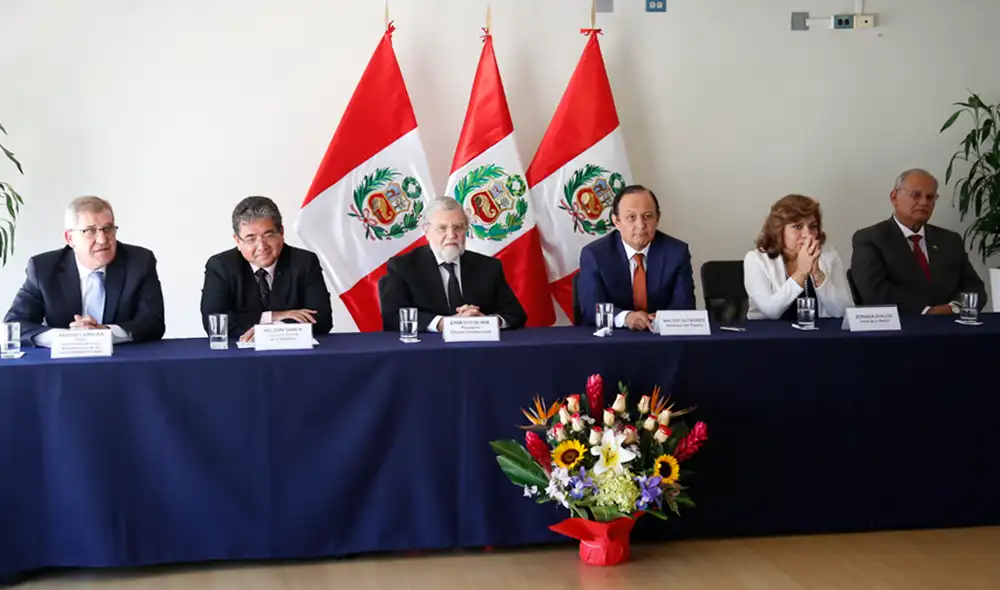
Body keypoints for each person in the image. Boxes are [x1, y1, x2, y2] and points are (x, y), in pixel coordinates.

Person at [2, 196, 165, 346]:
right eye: (90, 231)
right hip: (63, 365)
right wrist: (68, 337)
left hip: (123, 362)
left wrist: (105, 333)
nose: (102, 240)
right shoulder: (43, 268)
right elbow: (14, 325)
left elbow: (153, 322)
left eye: (107, 229)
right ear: (70, 239)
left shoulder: (139, 262)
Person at [850, 168, 987, 315]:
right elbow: (874, 292)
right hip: (901, 330)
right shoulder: (870, 239)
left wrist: (953, 308)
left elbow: (974, 288)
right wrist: (926, 311)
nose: (924, 202)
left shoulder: (950, 240)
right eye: (916, 195)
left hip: (952, 326)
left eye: (930, 197)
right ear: (894, 197)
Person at [379, 197, 527, 332]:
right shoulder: (403, 266)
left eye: (458, 227)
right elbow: (393, 317)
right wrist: (443, 323)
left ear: (466, 229)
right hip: (427, 352)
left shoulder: (488, 267)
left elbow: (515, 314)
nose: (451, 235)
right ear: (426, 231)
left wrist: (486, 322)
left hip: (480, 349)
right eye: (442, 228)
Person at [200, 196, 333, 342]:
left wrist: (271, 330)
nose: (262, 247)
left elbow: (322, 319)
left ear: (281, 233)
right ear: (238, 241)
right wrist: (274, 316)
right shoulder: (221, 266)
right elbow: (213, 323)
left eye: (268, 236)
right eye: (251, 239)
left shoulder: (304, 262)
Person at [576, 185, 695, 331]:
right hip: (613, 342)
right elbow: (591, 308)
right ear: (617, 222)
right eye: (631, 217)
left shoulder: (676, 252)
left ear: (657, 218)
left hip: (662, 339)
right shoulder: (595, 255)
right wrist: (626, 318)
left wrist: (659, 320)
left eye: (648, 216)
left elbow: (685, 305)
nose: (640, 225)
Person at [743, 195, 853, 320]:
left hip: (819, 336)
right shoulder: (756, 260)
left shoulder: (829, 256)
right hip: (769, 336)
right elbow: (771, 311)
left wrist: (817, 274)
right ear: (778, 231)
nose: (808, 235)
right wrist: (801, 272)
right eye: (797, 227)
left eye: (812, 226)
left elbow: (844, 311)